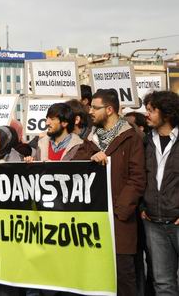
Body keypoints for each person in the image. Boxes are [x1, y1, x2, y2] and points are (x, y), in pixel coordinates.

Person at [72, 89, 145, 296]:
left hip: (120, 222)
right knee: (98, 279)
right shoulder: (91, 139)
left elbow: (137, 179)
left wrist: (119, 211)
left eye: (95, 108)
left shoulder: (131, 138)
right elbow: (74, 166)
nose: (90, 111)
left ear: (110, 110)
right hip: (95, 222)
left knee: (123, 278)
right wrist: (91, 158)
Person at [140, 91, 179, 295]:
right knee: (163, 283)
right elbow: (140, 177)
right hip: (153, 222)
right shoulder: (146, 141)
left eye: (151, 110)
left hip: (176, 220)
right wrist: (142, 207)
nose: (147, 114)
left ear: (167, 113)